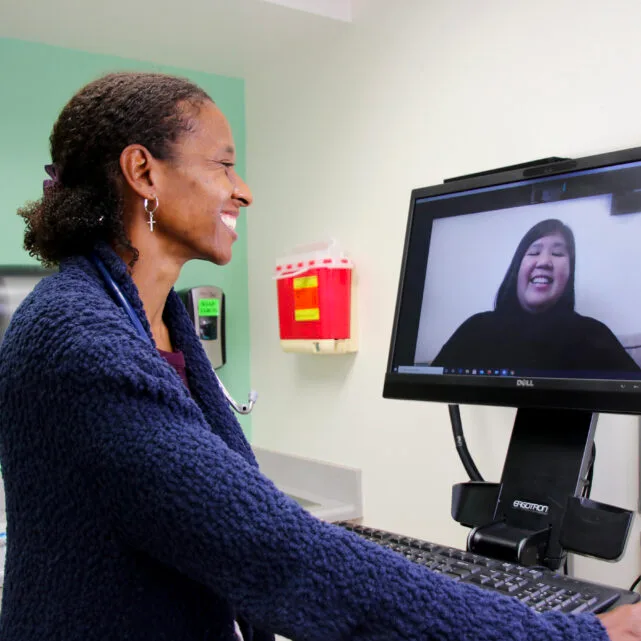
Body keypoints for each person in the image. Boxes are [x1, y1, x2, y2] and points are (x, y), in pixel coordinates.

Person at [0, 72, 639, 641]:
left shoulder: (159, 320)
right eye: (223, 164)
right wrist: (576, 634)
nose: (242, 190)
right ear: (144, 172)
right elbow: (277, 555)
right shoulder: (79, 342)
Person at [432, 218, 640, 373]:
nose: (544, 262)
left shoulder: (593, 334)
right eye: (533, 252)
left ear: (569, 273)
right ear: (516, 268)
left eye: (558, 253)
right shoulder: (475, 328)